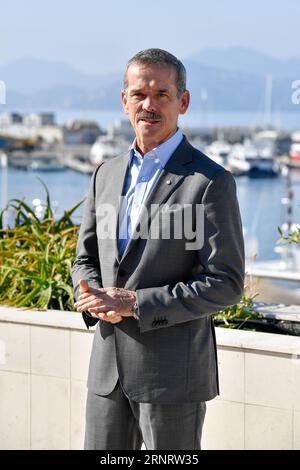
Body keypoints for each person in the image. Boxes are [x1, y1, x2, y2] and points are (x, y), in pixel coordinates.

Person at [71, 48, 245, 450]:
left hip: (172, 377)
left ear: (182, 102)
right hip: (106, 372)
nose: (149, 105)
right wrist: (90, 292)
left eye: (162, 94)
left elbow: (226, 283)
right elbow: (85, 258)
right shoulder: (105, 173)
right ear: (124, 101)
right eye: (139, 94)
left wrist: (135, 302)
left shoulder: (209, 182)